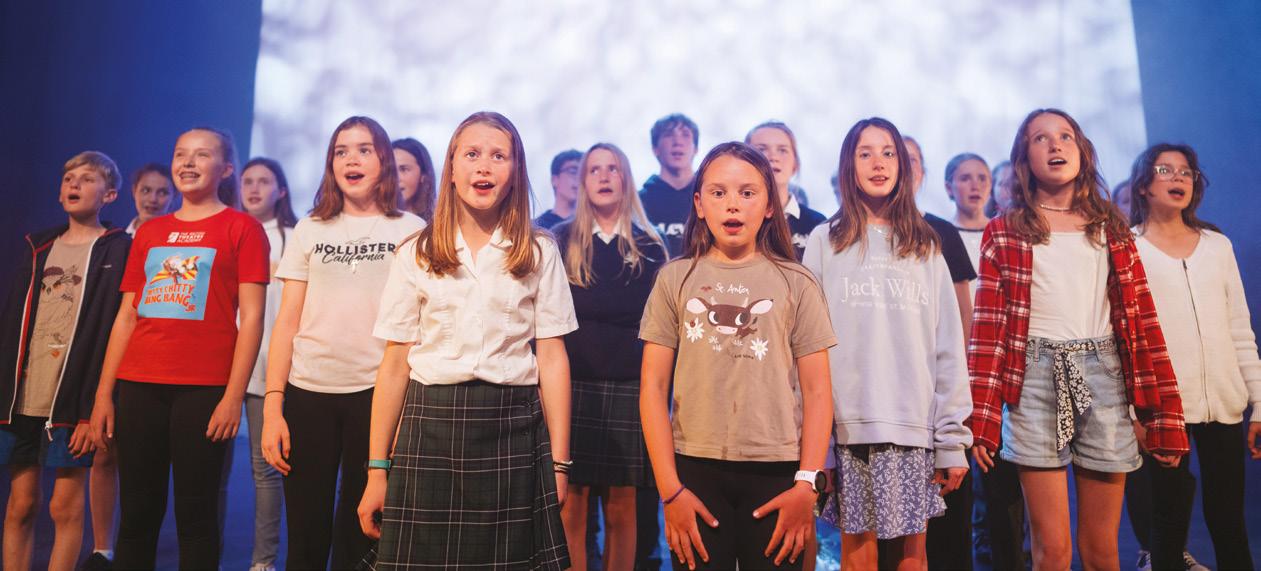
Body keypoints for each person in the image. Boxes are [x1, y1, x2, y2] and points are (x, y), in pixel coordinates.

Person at [969, 109, 1189, 571]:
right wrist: (982, 419)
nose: (1055, 145)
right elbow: (988, 332)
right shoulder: (1005, 230)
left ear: (1082, 151)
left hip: (1102, 375)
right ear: (1024, 158)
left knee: (1102, 551)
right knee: (1052, 552)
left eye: (1066, 136)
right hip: (1034, 379)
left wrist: (1161, 415)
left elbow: (1143, 324)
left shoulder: (1110, 226)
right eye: (1041, 138)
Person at [358, 111, 576, 569]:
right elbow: (395, 365)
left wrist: (559, 463)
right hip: (431, 427)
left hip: (512, 426)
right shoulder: (416, 252)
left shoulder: (539, 250)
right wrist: (377, 469)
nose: (484, 167)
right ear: (452, 168)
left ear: (515, 171)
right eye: (472, 154)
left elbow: (553, 359)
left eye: (499, 156)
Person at [639, 141, 835, 570]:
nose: (732, 204)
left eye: (747, 193)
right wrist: (670, 491)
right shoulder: (675, 279)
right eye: (718, 192)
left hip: (778, 470)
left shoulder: (798, 283)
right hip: (694, 471)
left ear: (769, 206)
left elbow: (819, 391)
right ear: (699, 204)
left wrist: (806, 484)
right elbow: (652, 388)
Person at [89, 127, 269, 570]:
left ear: (225, 169)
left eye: (201, 155)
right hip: (139, 386)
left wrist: (232, 397)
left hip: (203, 391)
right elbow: (127, 316)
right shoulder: (151, 232)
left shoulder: (242, 228)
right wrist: (103, 394)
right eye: (180, 154)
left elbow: (252, 320)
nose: (188, 163)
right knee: (137, 515)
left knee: (197, 516)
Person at [804, 119, 972, 571]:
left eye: (888, 153)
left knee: (912, 556)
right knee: (858, 556)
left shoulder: (925, 244)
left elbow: (948, 345)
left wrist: (951, 439)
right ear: (849, 165)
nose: (878, 163)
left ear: (902, 165)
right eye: (865, 153)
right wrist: (818, 441)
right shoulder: (825, 240)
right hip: (848, 427)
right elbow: (807, 346)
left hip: (913, 426)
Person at [259, 117, 424, 570]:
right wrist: (273, 407)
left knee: (361, 534)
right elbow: (286, 322)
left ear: (384, 160)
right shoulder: (311, 228)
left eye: (364, 149)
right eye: (341, 151)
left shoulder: (411, 229)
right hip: (308, 392)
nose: (352, 159)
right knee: (306, 535)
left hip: (377, 395)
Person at [1130, 143, 1256, 571]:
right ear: (1143, 184)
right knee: (1168, 524)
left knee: (1229, 521)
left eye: (1186, 171)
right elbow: (1124, 339)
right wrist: (1133, 414)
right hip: (1164, 407)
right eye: (1165, 170)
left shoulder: (1217, 246)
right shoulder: (1129, 248)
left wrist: (1259, 402)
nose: (1179, 178)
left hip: (1224, 404)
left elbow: (1239, 328)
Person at [1, 151, 129, 571]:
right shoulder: (38, 248)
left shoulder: (117, 249)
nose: (74, 184)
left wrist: (95, 407)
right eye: (69, 178)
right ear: (59, 194)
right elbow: (13, 324)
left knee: (64, 506)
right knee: (20, 504)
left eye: (87, 178)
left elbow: (115, 331)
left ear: (109, 194)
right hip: (24, 398)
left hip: (73, 400)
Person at [554, 142, 668, 571]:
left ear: (626, 179)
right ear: (583, 181)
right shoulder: (560, 240)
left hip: (629, 387)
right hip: (572, 387)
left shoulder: (650, 246)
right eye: (594, 169)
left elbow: (657, 326)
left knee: (623, 507)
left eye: (613, 169)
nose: (604, 177)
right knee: (572, 504)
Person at [238, 156, 299, 571]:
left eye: (263, 181)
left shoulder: (294, 238)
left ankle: (263, 562)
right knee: (212, 468)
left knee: (266, 468)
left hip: (268, 365)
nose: (254, 189)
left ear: (281, 190)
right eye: (248, 181)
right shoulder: (229, 231)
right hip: (222, 364)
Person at [746, 121, 827, 260]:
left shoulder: (817, 223)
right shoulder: (736, 218)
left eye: (782, 150)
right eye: (761, 149)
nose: (773, 157)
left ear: (795, 164)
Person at [639, 113, 700, 258]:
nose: (677, 142)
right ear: (655, 149)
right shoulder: (638, 202)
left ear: (696, 149)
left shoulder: (711, 198)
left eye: (685, 135)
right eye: (668, 135)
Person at [123, 163, 176, 236]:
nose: (152, 199)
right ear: (134, 191)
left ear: (174, 196)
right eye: (146, 191)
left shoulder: (181, 239)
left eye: (162, 193)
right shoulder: (117, 238)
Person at [392, 137, 437, 223]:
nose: (396, 178)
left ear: (423, 175)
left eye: (404, 169)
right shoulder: (375, 221)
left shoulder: (441, 221)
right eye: (391, 170)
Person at [536, 149, 582, 229]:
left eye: (582, 173)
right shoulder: (537, 227)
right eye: (573, 171)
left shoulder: (593, 226)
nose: (579, 178)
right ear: (555, 180)